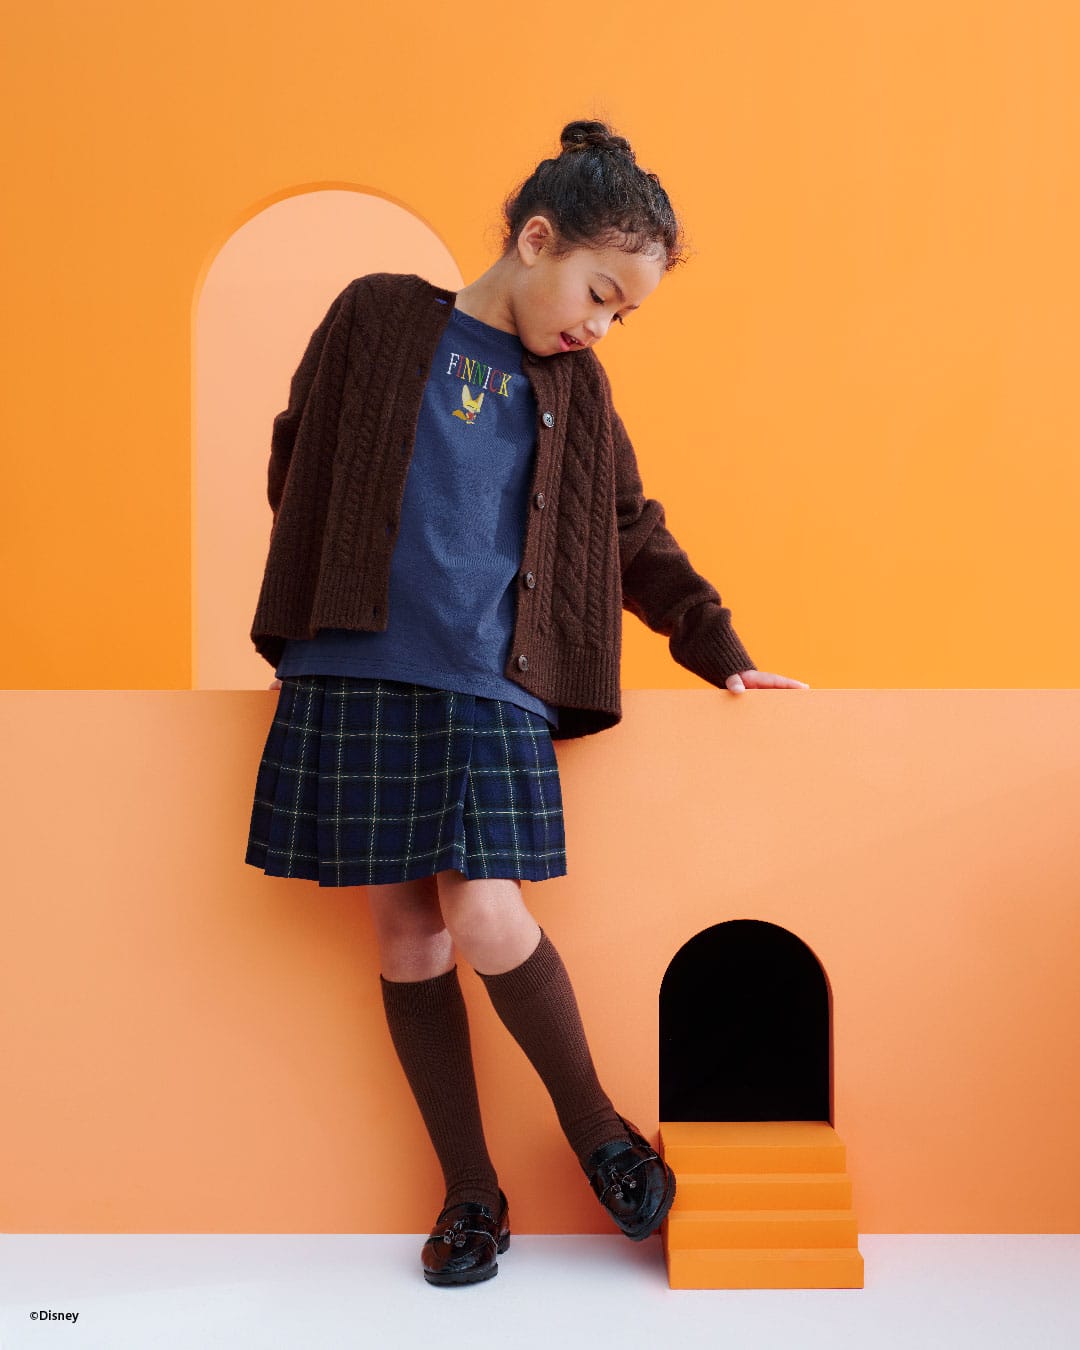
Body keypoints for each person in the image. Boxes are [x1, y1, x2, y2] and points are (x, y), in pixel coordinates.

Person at [244, 119, 809, 1287]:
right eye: (600, 292)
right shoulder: (379, 315)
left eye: (622, 316)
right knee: (408, 938)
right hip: (356, 668)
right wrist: (330, 560)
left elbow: (627, 532)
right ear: (536, 238)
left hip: (492, 686)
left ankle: (597, 1127)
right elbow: (298, 451)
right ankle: (470, 1194)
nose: (600, 326)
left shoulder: (579, 391)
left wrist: (717, 644)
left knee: (487, 913)